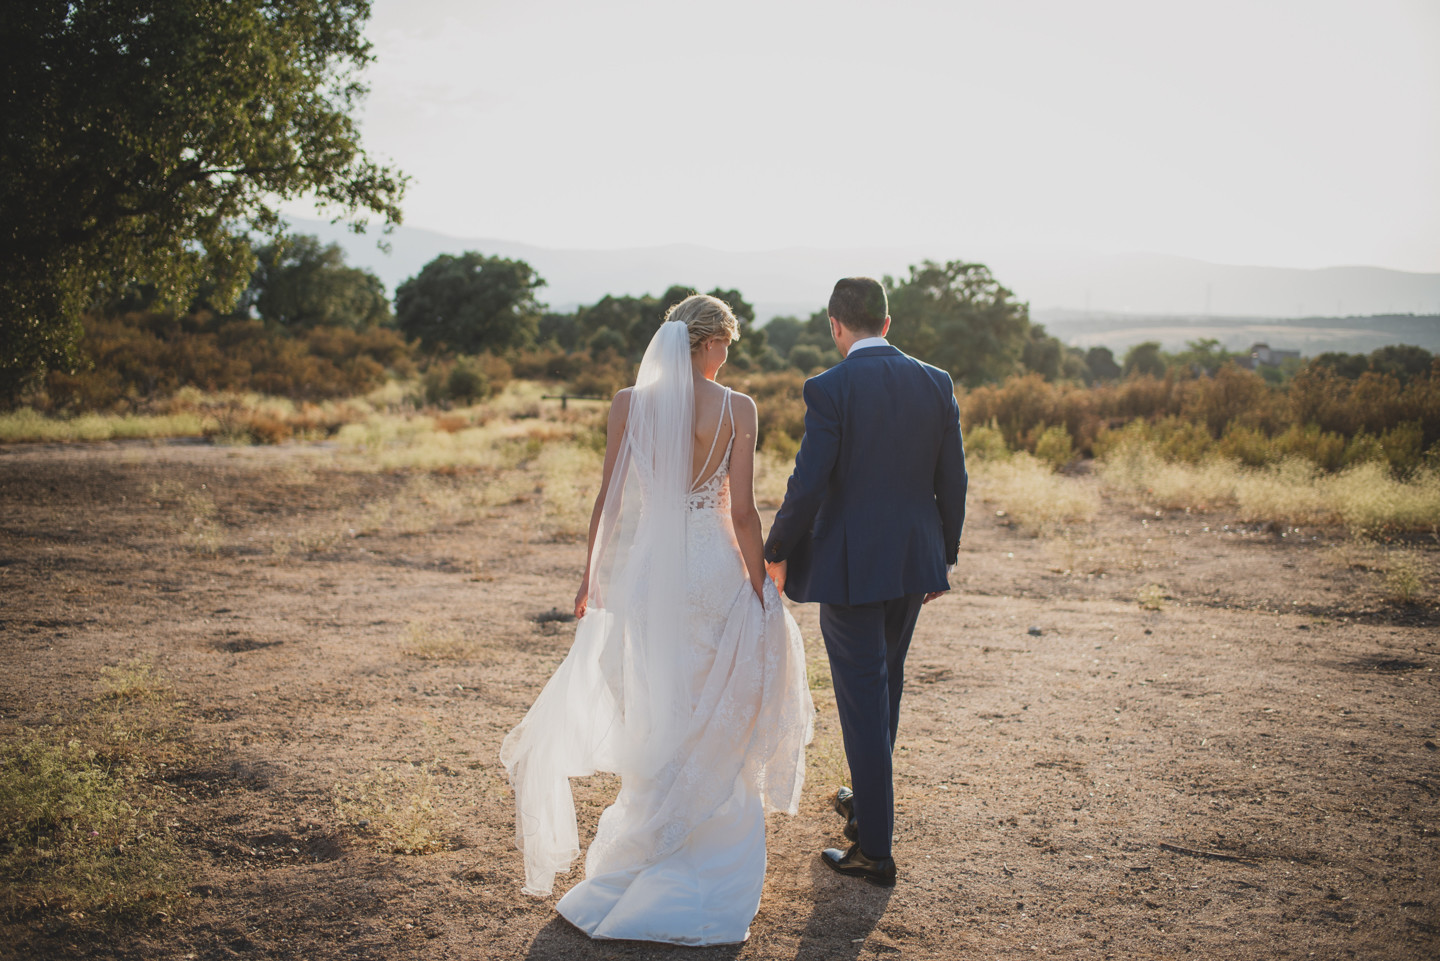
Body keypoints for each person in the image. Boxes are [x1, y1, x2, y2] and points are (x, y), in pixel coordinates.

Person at [501, 294, 814, 945]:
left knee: (660, 711)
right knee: (714, 714)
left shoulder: (627, 404)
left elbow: (609, 501)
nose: (728, 356)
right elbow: (745, 513)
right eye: (725, 343)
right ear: (705, 343)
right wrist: (761, 585)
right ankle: (701, 859)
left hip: (650, 580)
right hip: (713, 571)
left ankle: (651, 852)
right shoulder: (738, 408)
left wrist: (592, 577)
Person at [764, 276, 967, 887]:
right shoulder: (937, 382)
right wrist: (943, 558)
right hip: (913, 562)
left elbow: (809, 482)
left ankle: (874, 850)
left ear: (836, 325)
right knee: (887, 683)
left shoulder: (830, 387)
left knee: (862, 696)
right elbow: (952, 480)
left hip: (852, 569)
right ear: (886, 321)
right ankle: (864, 800)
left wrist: (777, 550)